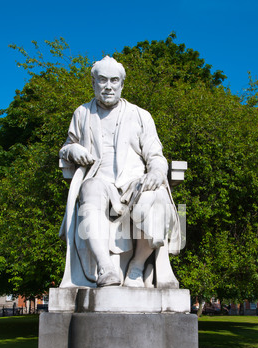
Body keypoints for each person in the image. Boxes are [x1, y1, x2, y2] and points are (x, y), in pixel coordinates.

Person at [59, 56, 180, 288]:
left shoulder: (140, 115)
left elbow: (156, 155)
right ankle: (105, 269)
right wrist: (72, 150)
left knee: (151, 196)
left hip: (134, 181)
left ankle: (137, 264)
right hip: (99, 179)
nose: (108, 86)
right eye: (102, 80)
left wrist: (156, 171)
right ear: (93, 83)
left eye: (114, 80)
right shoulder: (82, 113)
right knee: (90, 189)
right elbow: (66, 147)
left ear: (122, 85)